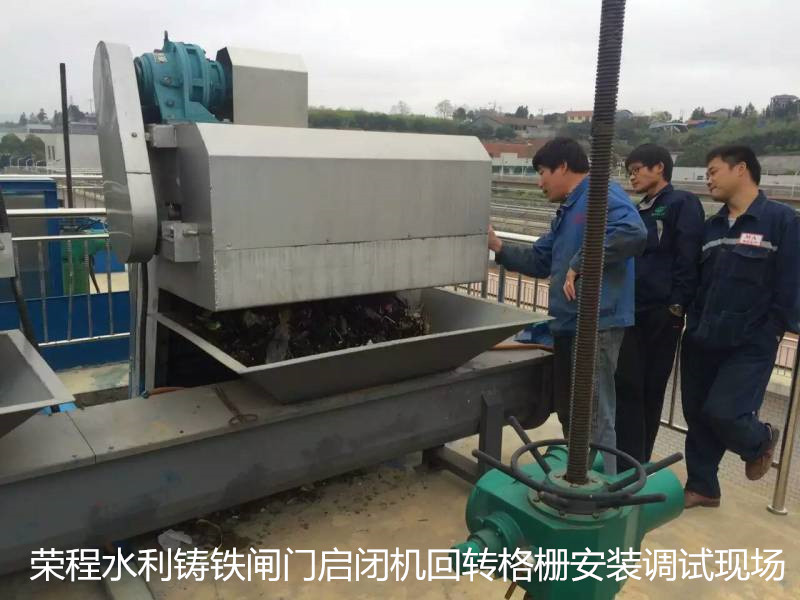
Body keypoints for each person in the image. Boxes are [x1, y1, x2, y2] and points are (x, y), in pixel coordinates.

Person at [488, 137, 647, 475]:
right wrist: (498, 247)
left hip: (596, 324)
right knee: (572, 413)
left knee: (594, 415)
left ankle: (602, 488)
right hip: (566, 323)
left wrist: (579, 263)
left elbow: (632, 232)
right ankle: (577, 478)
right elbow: (541, 258)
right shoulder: (569, 210)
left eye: (542, 172)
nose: (539, 182)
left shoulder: (601, 194)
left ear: (562, 167)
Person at [682, 145, 800, 508]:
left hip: (750, 341)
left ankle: (759, 440)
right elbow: (698, 282)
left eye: (714, 171)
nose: (708, 179)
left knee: (726, 412)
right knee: (697, 415)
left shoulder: (782, 221)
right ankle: (703, 486)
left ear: (741, 169)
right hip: (702, 336)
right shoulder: (712, 227)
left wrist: (772, 329)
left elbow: (792, 283)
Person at [614, 144, 705, 472]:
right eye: (630, 172)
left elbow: (687, 255)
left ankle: (637, 462)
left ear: (659, 168)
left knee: (650, 388)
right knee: (628, 385)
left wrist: (677, 305)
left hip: (661, 311)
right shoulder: (640, 208)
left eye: (637, 169)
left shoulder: (681, 203)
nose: (632, 177)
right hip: (633, 309)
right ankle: (625, 458)